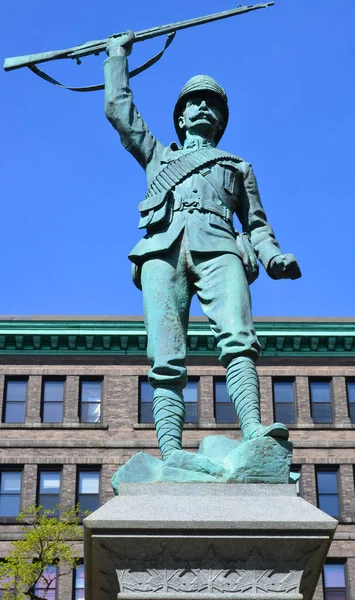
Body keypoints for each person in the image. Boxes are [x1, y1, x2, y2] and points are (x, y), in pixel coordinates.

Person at [104, 31, 301, 460]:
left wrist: (273, 257)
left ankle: (253, 428)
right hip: (163, 252)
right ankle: (170, 451)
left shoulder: (237, 166)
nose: (202, 108)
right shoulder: (158, 156)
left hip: (221, 249)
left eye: (211, 104)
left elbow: (257, 224)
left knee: (239, 339)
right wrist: (116, 58)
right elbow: (120, 112)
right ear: (180, 117)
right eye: (194, 102)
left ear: (221, 119)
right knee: (166, 357)